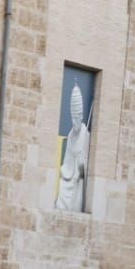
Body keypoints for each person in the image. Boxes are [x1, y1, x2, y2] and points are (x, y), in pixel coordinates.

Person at [55, 85, 90, 213]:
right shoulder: (70, 135)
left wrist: (81, 165)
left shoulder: (86, 135)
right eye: (72, 118)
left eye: (76, 118)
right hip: (69, 175)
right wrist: (68, 171)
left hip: (78, 179)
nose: (74, 121)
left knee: (78, 191)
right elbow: (67, 160)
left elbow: (85, 162)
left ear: (80, 117)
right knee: (62, 188)